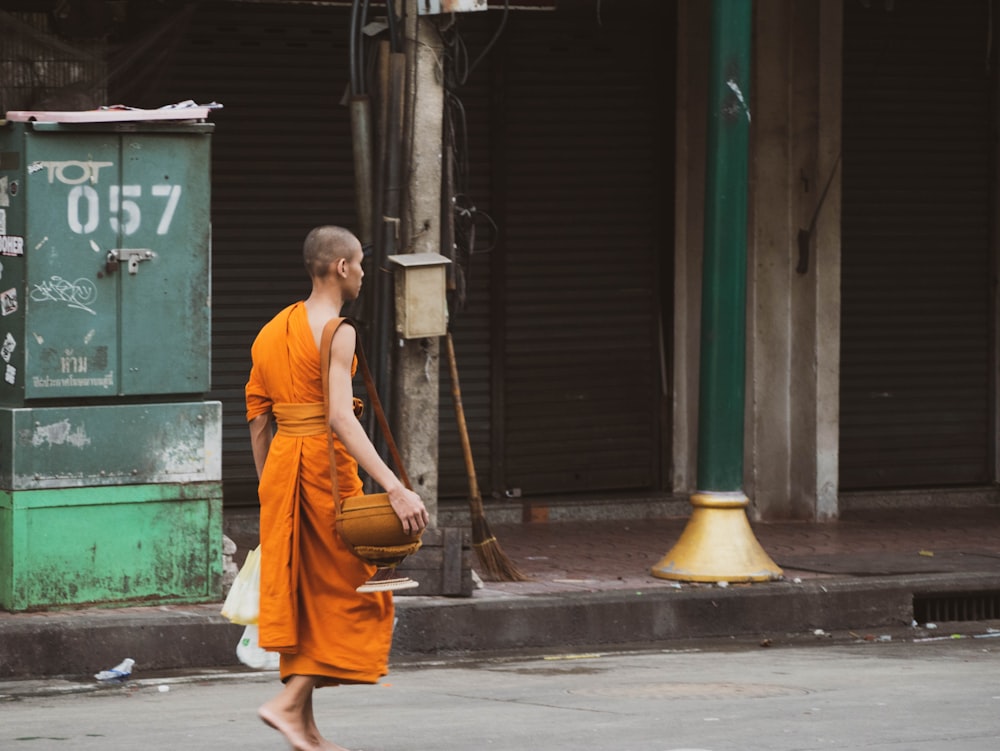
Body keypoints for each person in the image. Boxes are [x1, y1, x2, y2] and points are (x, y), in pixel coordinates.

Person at [245, 225, 429, 751]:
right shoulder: (337, 330)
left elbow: (258, 419)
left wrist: (269, 490)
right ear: (343, 267)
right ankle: (284, 704)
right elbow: (341, 421)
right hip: (324, 473)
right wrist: (395, 487)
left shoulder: (270, 330)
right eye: (362, 266)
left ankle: (303, 726)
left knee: (306, 594)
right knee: (354, 592)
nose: (365, 275)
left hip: (282, 473)